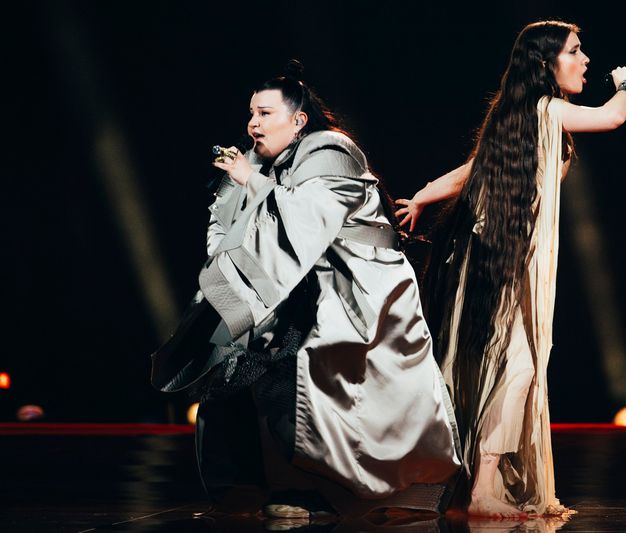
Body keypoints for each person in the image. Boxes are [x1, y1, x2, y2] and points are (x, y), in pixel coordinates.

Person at [151, 61, 460, 518]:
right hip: (292, 288)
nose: (253, 124)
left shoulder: (331, 149)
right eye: (251, 114)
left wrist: (250, 181)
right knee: (232, 369)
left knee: (299, 373)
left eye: (265, 114)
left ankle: (319, 490)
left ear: (298, 120)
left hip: (355, 288)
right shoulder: (258, 161)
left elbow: (306, 221)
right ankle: (243, 491)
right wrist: (236, 199)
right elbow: (224, 225)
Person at [395, 21, 626, 518]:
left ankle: (475, 486)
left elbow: (473, 169)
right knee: (516, 368)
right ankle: (481, 491)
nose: (586, 60)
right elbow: (613, 117)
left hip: (496, 259)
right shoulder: (546, 110)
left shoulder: (518, 113)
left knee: (506, 368)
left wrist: (423, 195)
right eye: (575, 51)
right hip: (501, 263)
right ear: (546, 64)